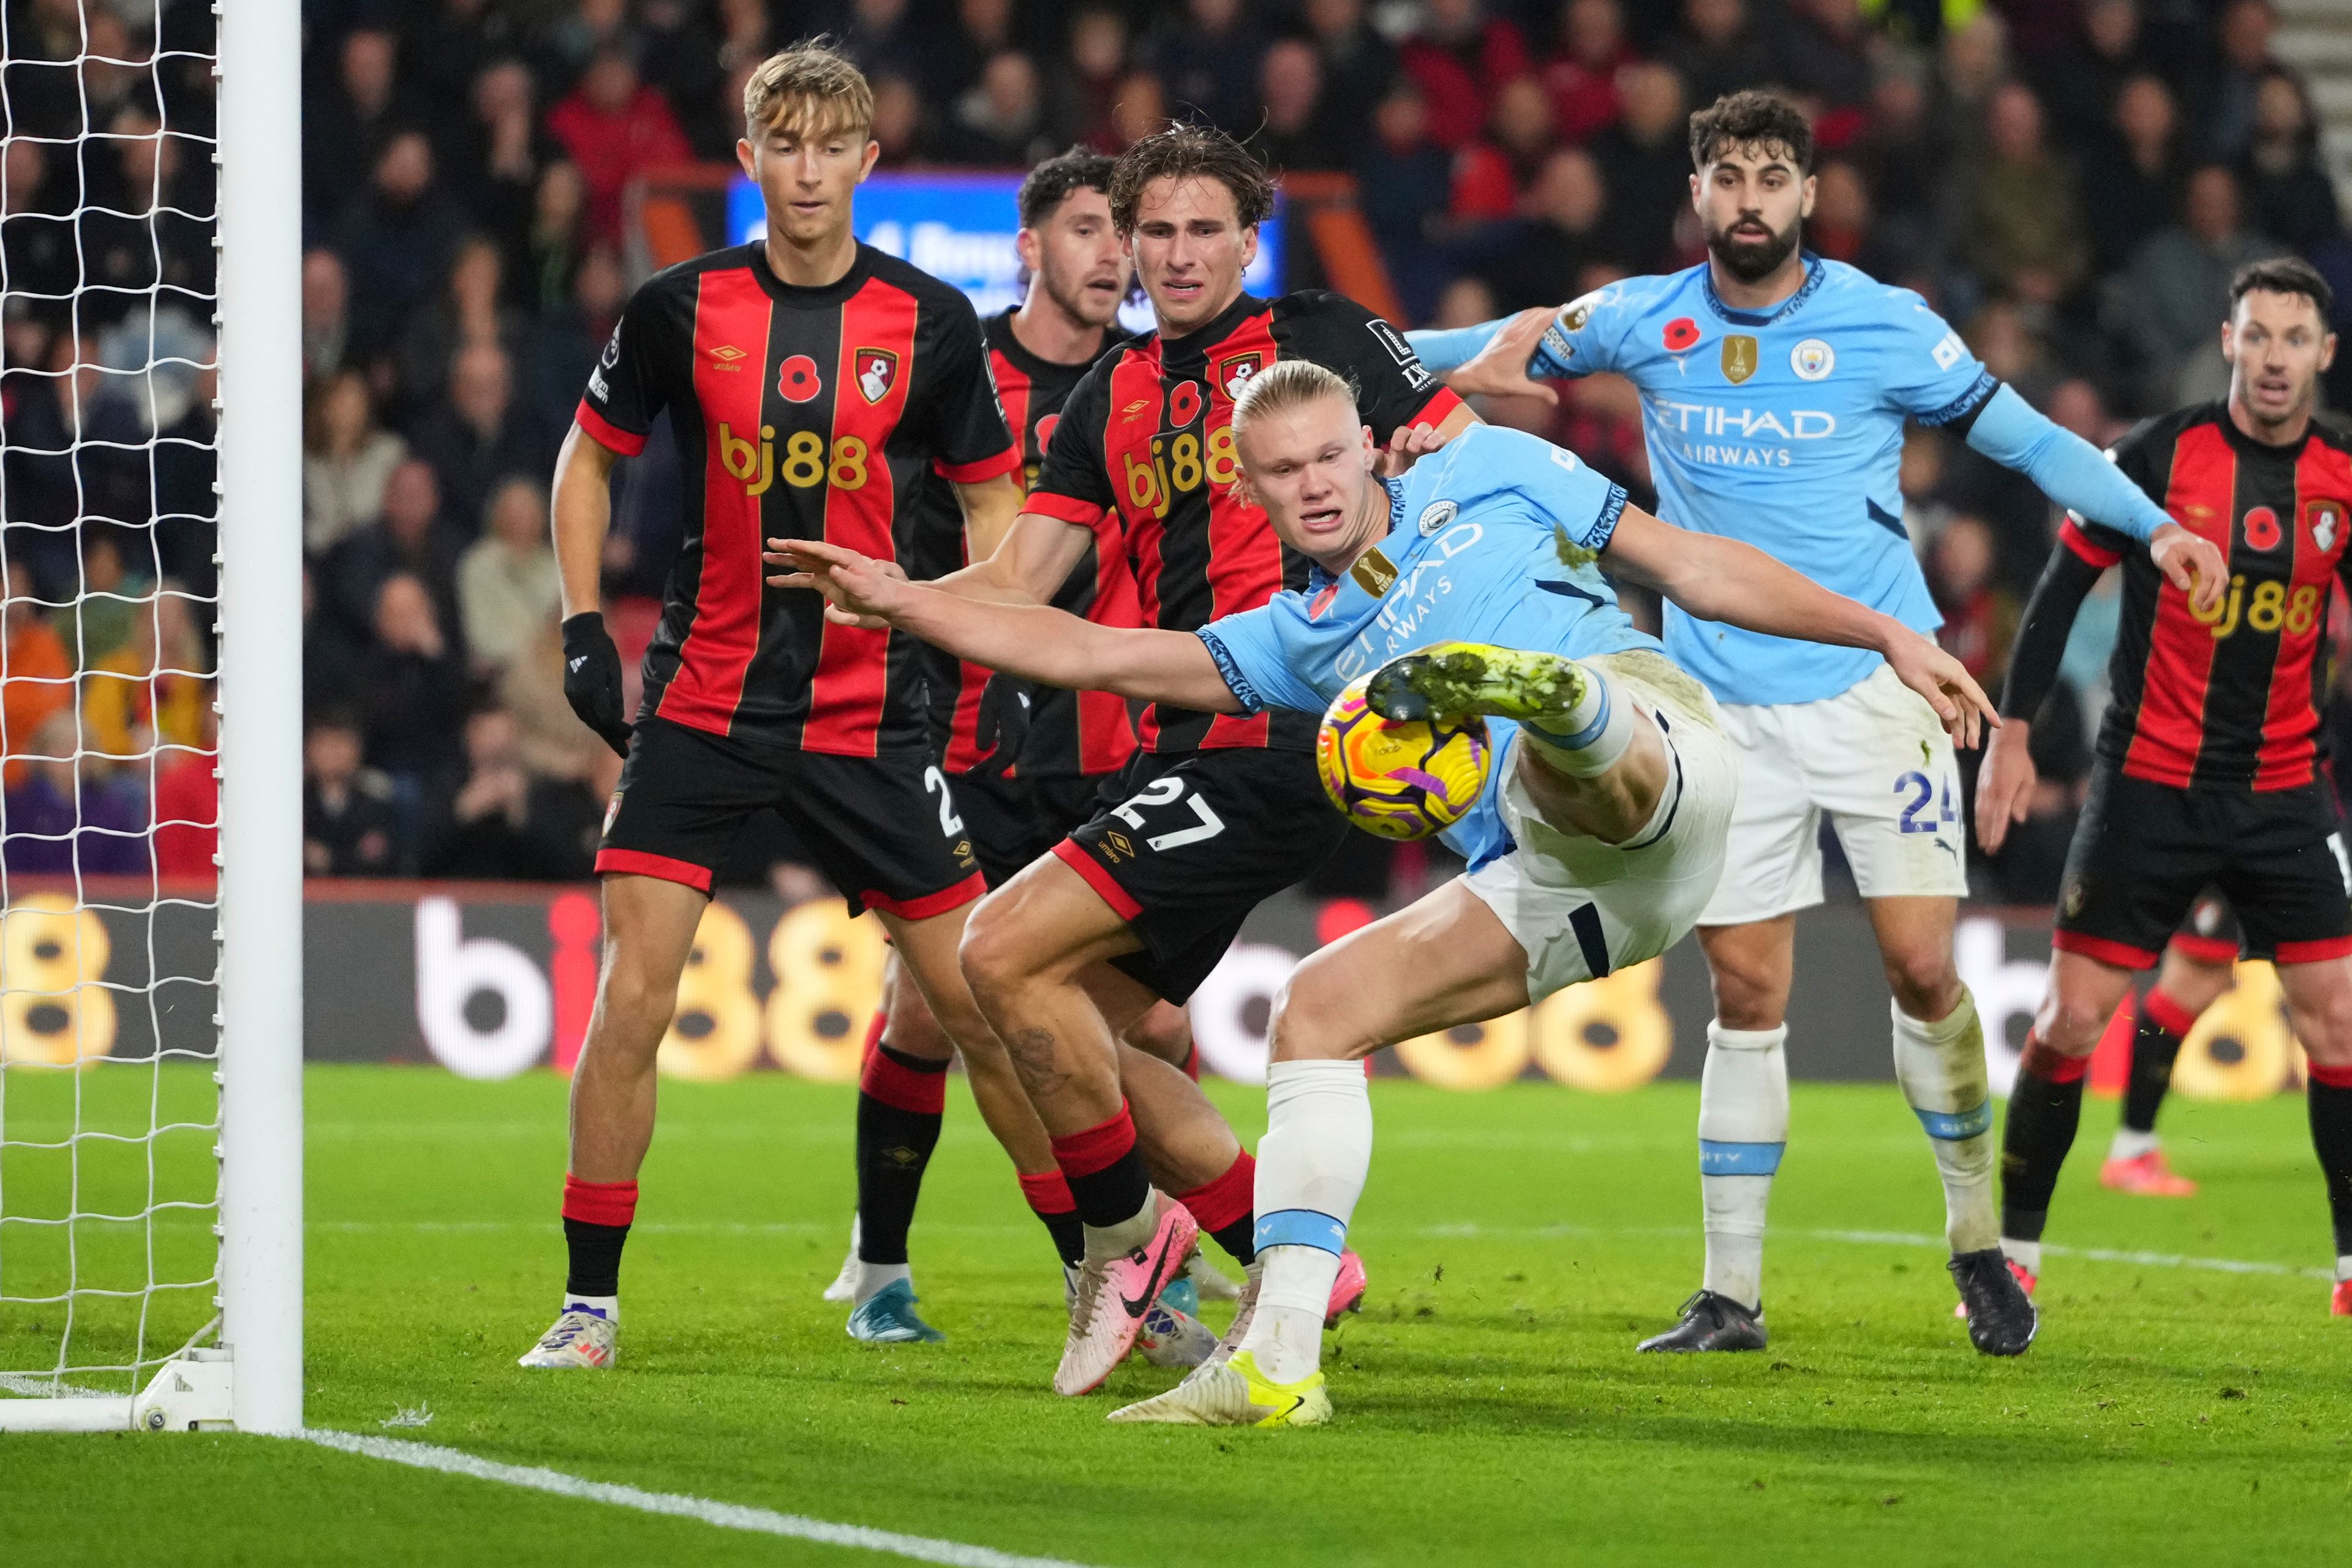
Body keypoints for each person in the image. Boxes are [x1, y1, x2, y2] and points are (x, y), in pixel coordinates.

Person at [775, 356, 1996, 1423]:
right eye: (1281, 470)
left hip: (1664, 754)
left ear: (1368, 443)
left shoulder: (1496, 469)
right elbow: (1090, 648)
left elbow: (1693, 567)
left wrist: (1881, 632)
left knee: (1584, 744)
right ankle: (1279, 1362)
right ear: (1250, 489)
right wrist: (903, 599)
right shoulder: (1294, 637)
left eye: (1327, 455)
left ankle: (1548, 697)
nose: (1311, 482)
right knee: (1316, 1007)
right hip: (1570, 888)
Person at [1406, 89, 2226, 1355]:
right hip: (1719, 707)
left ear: (1807, 194)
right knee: (1746, 989)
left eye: (1772, 175)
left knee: (1918, 966)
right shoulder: (1643, 317)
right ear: (1698, 192)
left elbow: (2029, 440)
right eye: (1726, 174)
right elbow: (1461, 351)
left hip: (1873, 690)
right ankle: (1731, 1293)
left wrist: (2154, 523)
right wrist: (1303, 350)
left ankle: (1978, 1246)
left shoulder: (1886, 323)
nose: (1748, 197)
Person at [781, 124, 1472, 1397]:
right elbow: (1020, 579)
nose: (1178, 252)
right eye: (1156, 230)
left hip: (1288, 735)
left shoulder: (1324, 332)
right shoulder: (1114, 394)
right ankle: (1274, 1241)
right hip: (1176, 747)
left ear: (1249, 241)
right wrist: (902, 595)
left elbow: (1461, 466)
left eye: (1206, 228)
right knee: (1092, 1027)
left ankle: (1118, 1255)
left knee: (993, 949)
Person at [520, 44, 1039, 1370]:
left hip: (873, 713)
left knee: (984, 1005)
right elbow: (587, 457)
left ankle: (1110, 1275)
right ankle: (589, 1304)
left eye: (831, 145)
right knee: (631, 997)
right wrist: (582, 622)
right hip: (705, 701)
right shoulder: (676, 306)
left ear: (870, 162)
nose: (806, 170)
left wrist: (987, 642)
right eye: (783, 144)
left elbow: (997, 502)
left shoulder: (929, 324)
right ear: (746, 160)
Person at [813, 148, 1231, 1346]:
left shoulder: (1159, 382)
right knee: (938, 1005)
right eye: (1092, 229)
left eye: (1128, 232)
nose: (1117, 254)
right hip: (959, 734)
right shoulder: (962, 374)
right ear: (1030, 247)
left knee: (1147, 1019)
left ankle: (1166, 1243)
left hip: (1117, 732)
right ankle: (890, 1265)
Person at [1975, 257, 2352, 1321]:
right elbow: (2057, 594)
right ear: (2227, 341)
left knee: (2340, 1028)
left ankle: (2350, 1274)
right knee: (2068, 1023)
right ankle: (2011, 1259)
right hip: (2148, 785)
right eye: (2258, 335)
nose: (2275, 358)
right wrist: (2013, 733)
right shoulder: (2158, 456)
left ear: (2324, 355)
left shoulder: (2343, 477)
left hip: (2284, 794)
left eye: (2296, 340)